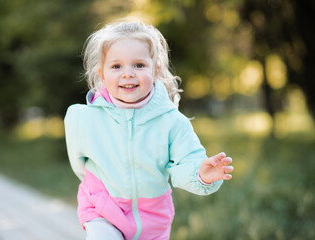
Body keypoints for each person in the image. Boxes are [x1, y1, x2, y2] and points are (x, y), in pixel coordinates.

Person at [64, 20, 234, 240]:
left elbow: (186, 162)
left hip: (152, 218)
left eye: (139, 65)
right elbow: (79, 163)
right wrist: (96, 189)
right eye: (116, 66)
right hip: (103, 209)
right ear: (102, 74)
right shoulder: (84, 118)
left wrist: (201, 175)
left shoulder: (172, 122)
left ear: (155, 70)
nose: (128, 73)